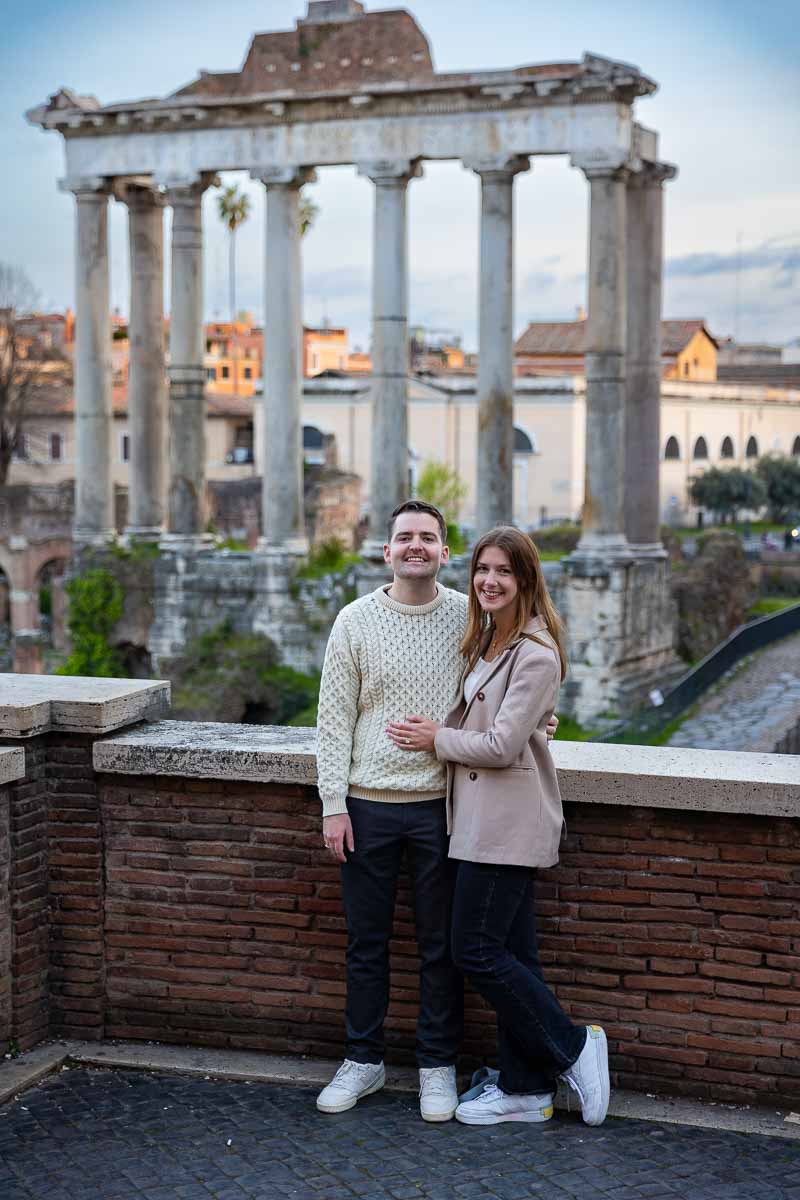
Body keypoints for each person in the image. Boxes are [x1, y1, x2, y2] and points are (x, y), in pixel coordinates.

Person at [315, 500, 556, 1122]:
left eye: (428, 537)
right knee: (365, 944)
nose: (415, 546)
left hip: (444, 809)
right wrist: (333, 805)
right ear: (386, 550)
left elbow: (506, 697)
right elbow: (333, 721)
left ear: (445, 552)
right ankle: (363, 1061)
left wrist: (540, 721)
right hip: (365, 806)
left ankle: (436, 1067)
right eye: (404, 537)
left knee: (440, 948)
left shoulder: (470, 619)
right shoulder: (353, 621)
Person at [388, 525, 610, 1128]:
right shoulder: (491, 640)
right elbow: (509, 716)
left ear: (525, 580)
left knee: (475, 950)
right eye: (482, 569)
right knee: (517, 954)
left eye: (503, 572)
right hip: (481, 819)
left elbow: (502, 744)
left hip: (507, 822)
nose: (489, 580)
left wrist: (435, 739)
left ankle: (573, 1046)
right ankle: (525, 1088)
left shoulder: (534, 650)